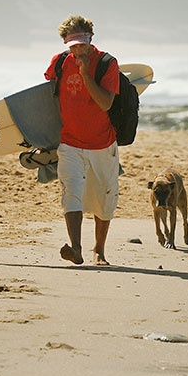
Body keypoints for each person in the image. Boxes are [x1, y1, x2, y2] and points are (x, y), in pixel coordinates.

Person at [44, 15, 121, 267]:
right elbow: (46, 97)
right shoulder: (59, 62)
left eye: (82, 43)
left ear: (91, 38)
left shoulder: (107, 63)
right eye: (73, 45)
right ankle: (76, 248)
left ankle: (99, 249)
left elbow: (105, 103)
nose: (78, 49)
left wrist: (86, 73)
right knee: (71, 194)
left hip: (102, 144)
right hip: (70, 143)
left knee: (105, 199)